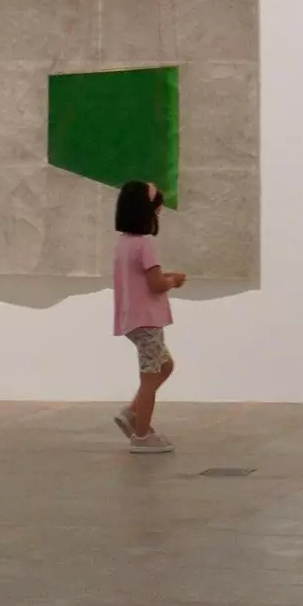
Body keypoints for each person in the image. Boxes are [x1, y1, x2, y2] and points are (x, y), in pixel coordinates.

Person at [111, 181, 185, 455]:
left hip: (133, 319)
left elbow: (143, 278)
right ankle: (141, 435)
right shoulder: (144, 245)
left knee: (164, 366)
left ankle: (132, 413)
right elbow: (156, 284)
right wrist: (174, 281)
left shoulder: (123, 244)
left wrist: (165, 277)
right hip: (147, 320)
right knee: (150, 378)